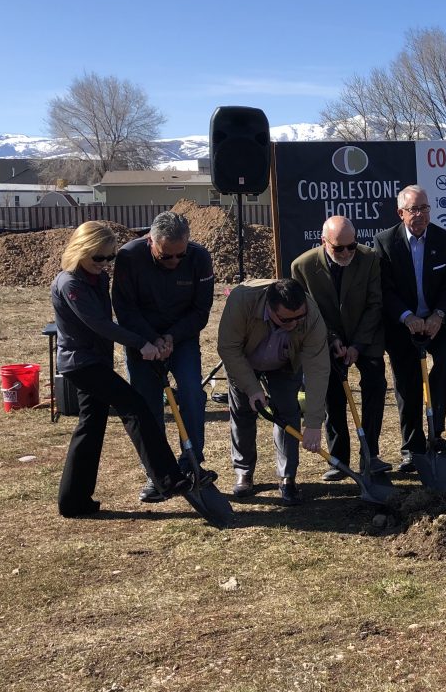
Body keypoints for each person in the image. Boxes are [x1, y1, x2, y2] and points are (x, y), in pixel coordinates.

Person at [51, 221, 194, 518]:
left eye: (109, 258)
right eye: (98, 258)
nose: (104, 265)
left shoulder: (97, 279)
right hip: (81, 364)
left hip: (96, 361)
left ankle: (74, 501)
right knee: (135, 407)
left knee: (91, 428)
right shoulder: (70, 283)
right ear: (81, 251)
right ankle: (168, 479)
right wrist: (141, 343)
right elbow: (99, 324)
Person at [112, 210, 215, 502]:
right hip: (142, 341)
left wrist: (171, 336)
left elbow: (200, 310)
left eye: (180, 256)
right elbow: (124, 308)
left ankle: (192, 464)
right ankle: (158, 473)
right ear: (151, 242)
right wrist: (151, 339)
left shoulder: (199, 258)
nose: (174, 262)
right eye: (166, 256)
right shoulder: (129, 257)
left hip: (181, 338)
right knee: (147, 404)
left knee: (193, 394)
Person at [290, 216, 387, 482]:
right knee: (332, 395)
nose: (346, 253)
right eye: (339, 248)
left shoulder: (369, 259)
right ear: (324, 242)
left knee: (376, 385)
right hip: (325, 338)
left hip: (365, 336)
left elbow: (374, 304)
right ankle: (339, 458)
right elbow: (308, 312)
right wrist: (332, 339)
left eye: (351, 246)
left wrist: (357, 345)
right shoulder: (302, 266)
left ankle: (371, 454)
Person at [217, 278, 329, 505]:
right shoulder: (241, 300)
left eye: (300, 317)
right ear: (269, 307)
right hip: (245, 361)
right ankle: (243, 471)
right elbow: (228, 348)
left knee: (288, 412)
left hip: (286, 363)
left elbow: (317, 367)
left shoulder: (311, 314)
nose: (295, 323)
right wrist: (252, 388)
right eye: (287, 319)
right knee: (243, 413)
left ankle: (287, 477)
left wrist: (314, 422)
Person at [376, 185, 446, 473]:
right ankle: (411, 448)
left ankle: (436, 430)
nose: (421, 215)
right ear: (401, 213)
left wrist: (438, 315)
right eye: (414, 210)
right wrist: (407, 316)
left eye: (425, 208)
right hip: (403, 326)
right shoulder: (385, 243)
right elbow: (385, 289)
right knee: (407, 383)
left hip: (437, 322)